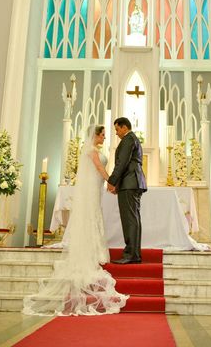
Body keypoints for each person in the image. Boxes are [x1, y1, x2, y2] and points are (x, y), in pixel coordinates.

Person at [22, 125, 128, 315]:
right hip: (92, 189)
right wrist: (112, 182)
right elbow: (99, 167)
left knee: (94, 216)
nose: (104, 137)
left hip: (95, 188)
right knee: (91, 216)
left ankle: (92, 248)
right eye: (102, 135)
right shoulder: (91, 151)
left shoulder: (90, 149)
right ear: (94, 135)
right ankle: (91, 251)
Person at [107, 117, 147, 264]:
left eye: (117, 129)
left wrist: (112, 181)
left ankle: (131, 255)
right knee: (133, 219)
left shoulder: (128, 139)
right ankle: (134, 254)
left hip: (130, 183)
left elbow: (122, 162)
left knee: (130, 219)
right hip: (133, 182)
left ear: (124, 127)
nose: (116, 133)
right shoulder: (132, 139)